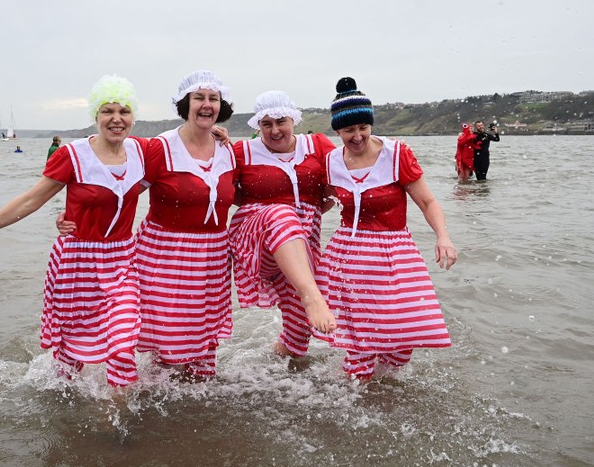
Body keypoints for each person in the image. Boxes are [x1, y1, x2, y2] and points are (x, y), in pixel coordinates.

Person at [0, 75, 147, 387]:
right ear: (96, 116)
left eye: (124, 111)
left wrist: (212, 130)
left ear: (133, 117)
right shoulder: (73, 155)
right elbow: (31, 200)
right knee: (70, 356)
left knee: (122, 344)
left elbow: (178, 149)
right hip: (78, 262)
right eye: (108, 111)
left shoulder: (144, 152)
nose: (116, 119)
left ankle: (115, 425)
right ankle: (61, 405)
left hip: (122, 261)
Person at [316, 77, 458, 381]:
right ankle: (354, 396)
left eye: (362, 128)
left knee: (402, 336)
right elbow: (325, 203)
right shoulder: (331, 161)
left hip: (394, 253)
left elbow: (427, 201)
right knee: (360, 340)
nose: (357, 136)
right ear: (337, 130)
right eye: (348, 130)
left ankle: (385, 388)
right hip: (348, 256)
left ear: (370, 124)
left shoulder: (396, 154)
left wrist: (442, 236)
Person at [134, 70, 238, 379]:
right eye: (199, 98)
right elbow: (123, 192)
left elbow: (249, 195)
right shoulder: (160, 148)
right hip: (164, 254)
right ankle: (159, 414)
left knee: (205, 342)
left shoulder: (228, 150)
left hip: (213, 256)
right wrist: (74, 215)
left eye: (213, 99)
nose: (207, 105)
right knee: (167, 341)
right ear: (185, 104)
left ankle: (198, 405)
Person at [229, 90, 337, 359]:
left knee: (300, 332)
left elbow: (349, 170)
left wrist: (385, 147)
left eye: (281, 122)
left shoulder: (317, 145)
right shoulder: (241, 151)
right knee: (281, 214)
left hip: (302, 243)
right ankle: (311, 296)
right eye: (266, 124)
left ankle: (279, 367)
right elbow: (220, 189)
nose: (275, 130)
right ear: (258, 126)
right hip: (257, 241)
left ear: (294, 120)